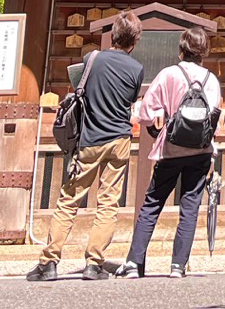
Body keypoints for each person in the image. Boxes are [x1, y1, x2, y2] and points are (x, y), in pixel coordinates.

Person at [27, 14, 145, 281]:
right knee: (108, 203)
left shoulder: (93, 59)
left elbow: (82, 89)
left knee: (69, 200)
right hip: (119, 141)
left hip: (90, 139)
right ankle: (94, 263)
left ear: (113, 35)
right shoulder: (136, 70)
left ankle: (49, 262)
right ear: (135, 40)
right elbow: (130, 100)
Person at [119, 24, 222, 278]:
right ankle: (178, 266)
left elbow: (146, 112)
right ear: (204, 52)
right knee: (190, 207)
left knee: (152, 203)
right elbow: (215, 118)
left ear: (181, 50)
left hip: (171, 149)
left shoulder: (168, 75)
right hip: (200, 151)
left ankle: (134, 262)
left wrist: (158, 124)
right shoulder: (212, 80)